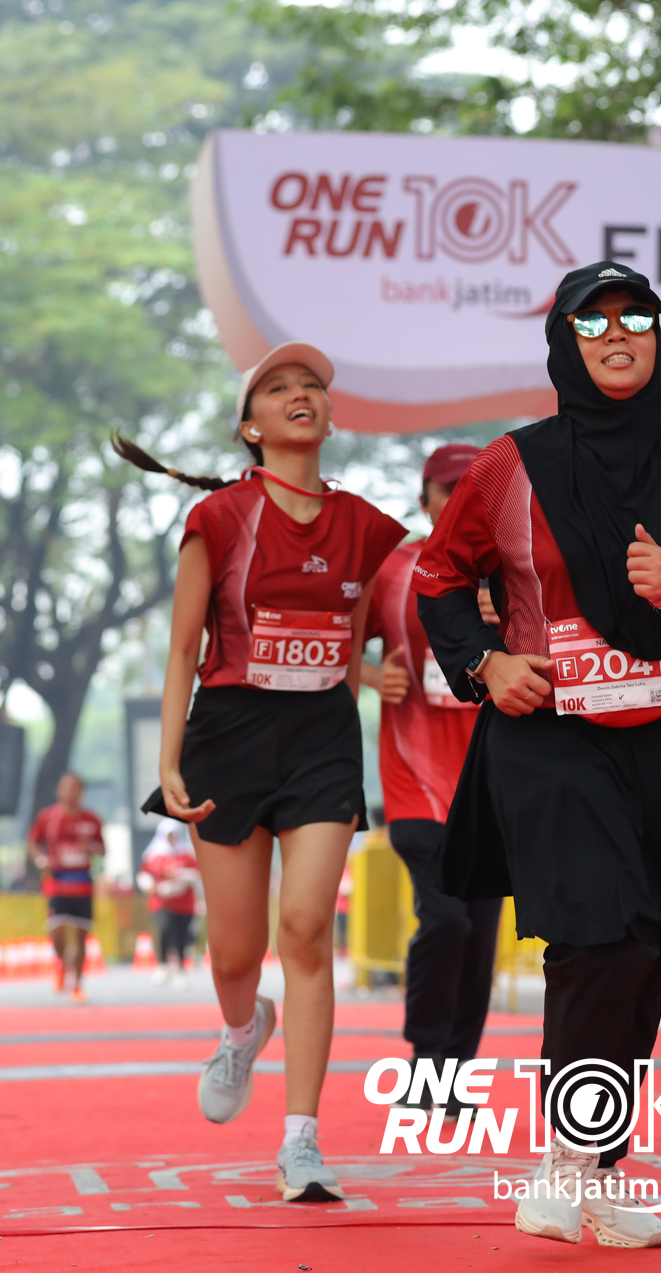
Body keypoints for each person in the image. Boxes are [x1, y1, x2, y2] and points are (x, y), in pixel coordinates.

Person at [413, 260, 661, 1249]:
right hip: (551, 735)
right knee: (602, 937)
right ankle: (566, 1166)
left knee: (648, 946)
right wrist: (486, 662)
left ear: (659, 338)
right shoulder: (510, 465)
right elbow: (441, 576)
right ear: (563, 344)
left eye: (636, 318)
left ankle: (596, 1172)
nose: (618, 335)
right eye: (593, 322)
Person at [120, 341, 405, 1204]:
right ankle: (243, 1030)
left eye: (311, 385)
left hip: (321, 738)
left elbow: (359, 635)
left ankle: (301, 1142)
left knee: (307, 928)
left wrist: (369, 675)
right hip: (230, 736)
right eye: (278, 388)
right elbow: (183, 650)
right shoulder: (218, 520)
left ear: (329, 415)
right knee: (236, 951)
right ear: (252, 428)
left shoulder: (366, 525)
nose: (300, 394)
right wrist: (168, 761)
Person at [361, 443, 502, 1095]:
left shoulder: (516, 569)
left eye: (477, 489)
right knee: (447, 918)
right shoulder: (393, 570)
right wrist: (372, 676)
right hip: (414, 782)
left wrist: (511, 628)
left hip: (490, 784)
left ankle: (454, 1074)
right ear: (425, 501)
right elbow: (337, 637)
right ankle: (425, 1057)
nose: (463, 500)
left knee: (479, 936)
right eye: (450, 489)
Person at [26, 772, 104, 1002]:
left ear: (82, 791)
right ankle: (63, 963)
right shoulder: (47, 817)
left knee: (80, 936)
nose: (71, 792)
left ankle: (77, 985)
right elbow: (33, 843)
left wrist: (91, 849)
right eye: (66, 787)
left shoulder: (91, 819)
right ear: (59, 791)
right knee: (56, 931)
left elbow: (103, 849)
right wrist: (41, 860)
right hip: (57, 882)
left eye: (76, 788)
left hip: (82, 884)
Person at [140, 819, 202, 989]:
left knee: (182, 936)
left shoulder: (186, 855)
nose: (172, 838)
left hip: (184, 904)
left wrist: (180, 875)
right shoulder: (154, 855)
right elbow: (144, 875)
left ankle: (180, 968)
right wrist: (153, 887)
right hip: (162, 903)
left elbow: (197, 875)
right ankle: (162, 964)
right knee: (164, 929)